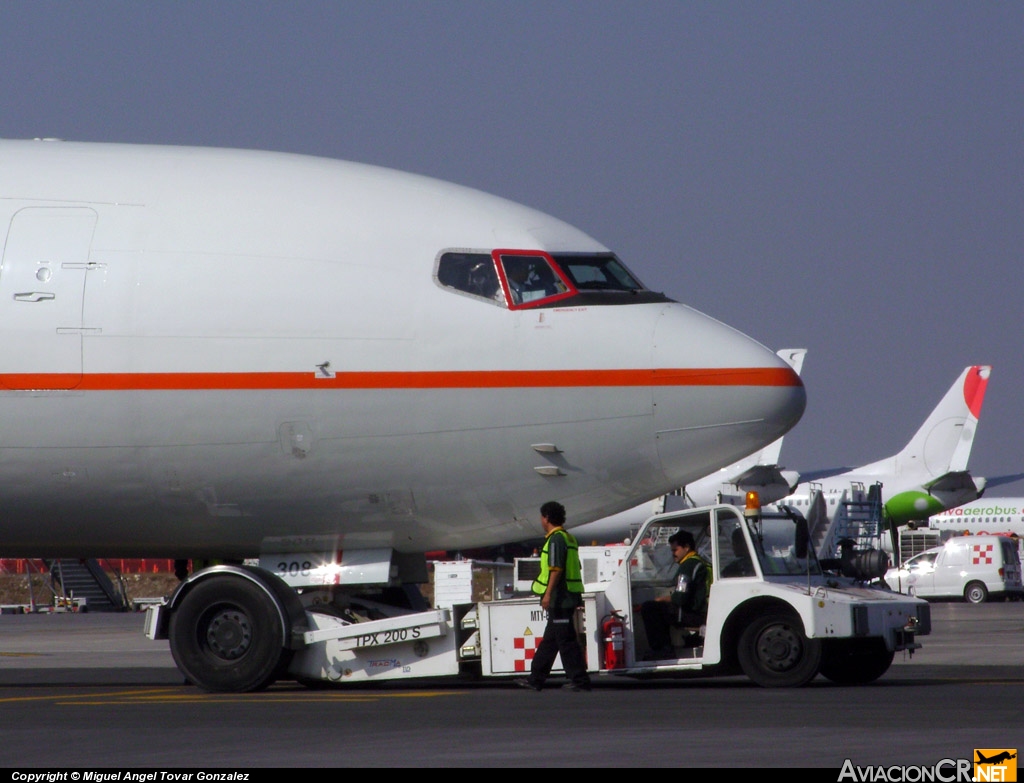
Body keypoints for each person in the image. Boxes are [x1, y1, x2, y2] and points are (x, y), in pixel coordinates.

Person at [515, 501, 592, 691]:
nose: (541, 521)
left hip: (560, 597)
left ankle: (580, 681)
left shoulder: (556, 539)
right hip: (567, 596)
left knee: (566, 641)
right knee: (551, 641)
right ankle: (535, 679)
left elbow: (556, 569)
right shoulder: (568, 537)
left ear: (546, 518)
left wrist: (547, 594)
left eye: (542, 517)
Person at [640, 529, 712, 659]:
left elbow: (680, 597)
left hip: (695, 615)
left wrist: (662, 599)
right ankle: (690, 639)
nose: (673, 554)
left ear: (687, 548)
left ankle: (662, 649)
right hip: (706, 611)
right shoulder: (701, 562)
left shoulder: (688, 565)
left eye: (675, 550)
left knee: (650, 608)